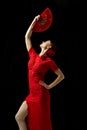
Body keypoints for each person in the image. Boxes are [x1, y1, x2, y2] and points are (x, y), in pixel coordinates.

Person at [15, 15, 65, 130]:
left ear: (48, 47)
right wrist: (34, 20)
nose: (42, 41)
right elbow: (27, 37)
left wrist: (48, 86)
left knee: (39, 125)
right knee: (18, 117)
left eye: (45, 41)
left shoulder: (48, 62)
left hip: (41, 96)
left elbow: (61, 76)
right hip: (32, 95)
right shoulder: (33, 54)